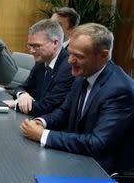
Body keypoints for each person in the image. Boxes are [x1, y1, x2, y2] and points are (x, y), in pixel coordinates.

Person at [20, 23, 134, 174]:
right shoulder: (83, 75)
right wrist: (41, 122)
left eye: (78, 56)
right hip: (77, 156)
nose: (70, 61)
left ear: (103, 55)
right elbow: (64, 111)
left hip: (102, 169)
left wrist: (43, 135)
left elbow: (97, 143)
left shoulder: (120, 89)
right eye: (70, 53)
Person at [4, 19, 74, 116]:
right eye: (30, 45)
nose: (31, 51)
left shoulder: (68, 67)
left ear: (55, 43)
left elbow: (47, 107)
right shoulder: (41, 61)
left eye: (36, 46)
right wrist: (23, 95)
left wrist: (16, 104)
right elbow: (22, 87)